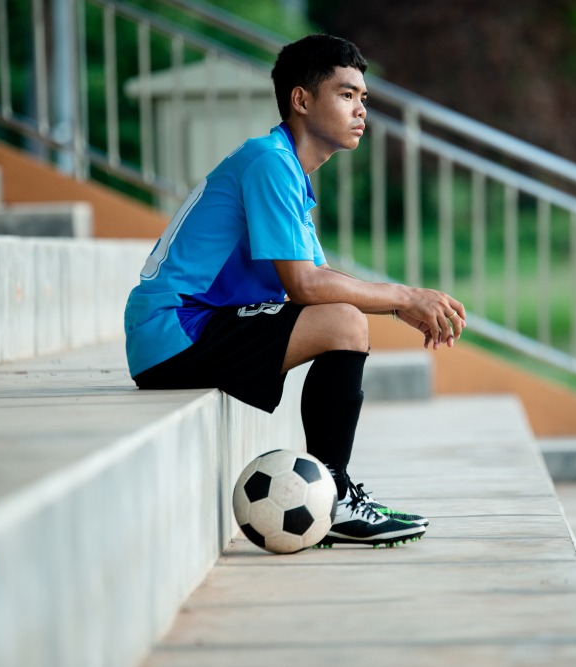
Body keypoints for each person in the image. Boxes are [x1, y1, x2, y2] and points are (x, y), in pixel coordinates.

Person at [124, 34, 466, 548]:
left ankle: (333, 492)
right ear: (302, 100)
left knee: (344, 316)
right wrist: (403, 295)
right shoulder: (268, 162)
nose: (361, 111)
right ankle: (335, 499)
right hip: (174, 330)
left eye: (363, 98)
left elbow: (321, 286)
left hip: (185, 330)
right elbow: (304, 286)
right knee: (345, 322)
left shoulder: (287, 171)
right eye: (346, 94)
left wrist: (402, 309)